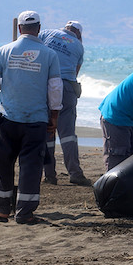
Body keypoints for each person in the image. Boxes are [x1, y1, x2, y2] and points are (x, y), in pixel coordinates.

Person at [0, 11, 63, 224]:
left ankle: (2, 210)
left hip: (8, 117)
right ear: (38, 28)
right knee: (30, 166)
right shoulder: (49, 54)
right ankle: (24, 213)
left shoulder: (4, 50)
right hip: (35, 120)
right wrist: (53, 116)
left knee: (3, 163)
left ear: (19, 29)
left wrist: (7, 87)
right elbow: (55, 89)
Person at [38, 21, 90, 186]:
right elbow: (75, 72)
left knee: (47, 131)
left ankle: (50, 175)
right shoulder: (79, 46)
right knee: (67, 134)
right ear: (78, 35)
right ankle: (75, 172)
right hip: (66, 87)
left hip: (46, 85)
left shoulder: (46, 33)